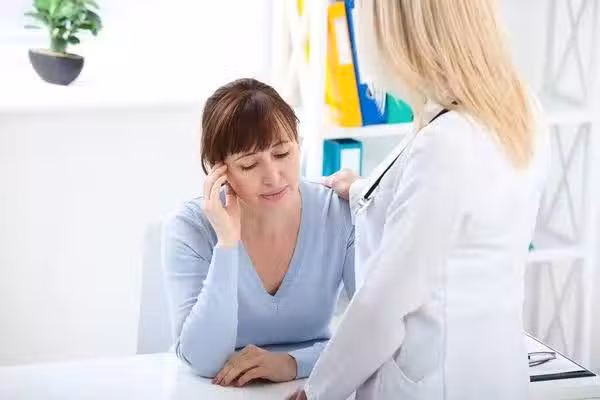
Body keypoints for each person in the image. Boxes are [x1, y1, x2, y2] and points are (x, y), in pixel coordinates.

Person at [289, 0, 550, 399]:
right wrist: (362, 192)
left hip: (435, 383)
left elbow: (384, 306)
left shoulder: (446, 143)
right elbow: (458, 223)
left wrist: (317, 391)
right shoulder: (521, 110)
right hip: (498, 373)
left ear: (402, 34)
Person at [162, 78, 356, 387]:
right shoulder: (189, 228)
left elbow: (378, 334)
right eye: (249, 165)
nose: (273, 177)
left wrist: (292, 364)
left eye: (282, 154)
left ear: (298, 144)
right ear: (219, 170)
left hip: (308, 386)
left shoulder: (338, 211)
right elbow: (202, 359)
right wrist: (227, 244)